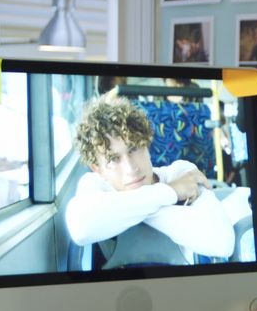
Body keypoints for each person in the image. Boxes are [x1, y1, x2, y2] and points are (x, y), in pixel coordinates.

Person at [65, 95, 236, 267]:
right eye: (114, 159)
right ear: (98, 169)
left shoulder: (181, 172)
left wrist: (134, 211)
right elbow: (81, 229)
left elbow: (223, 244)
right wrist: (170, 192)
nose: (131, 168)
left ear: (147, 144)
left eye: (134, 149)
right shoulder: (95, 184)